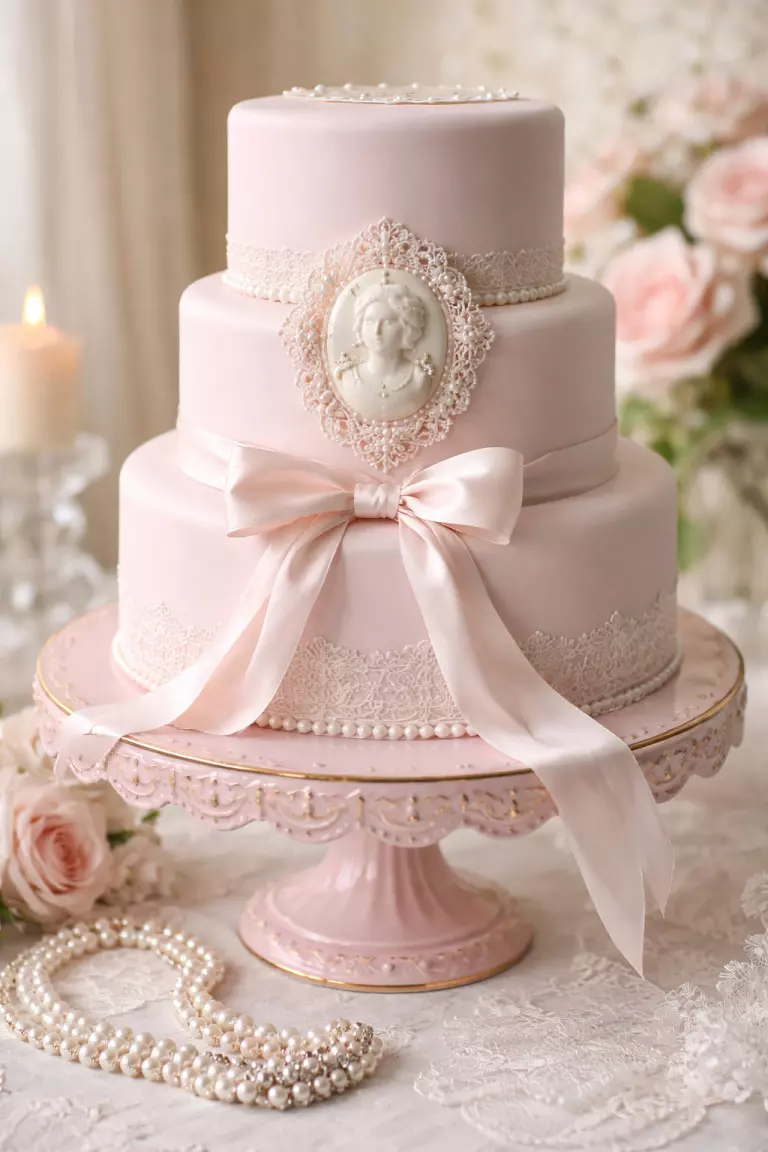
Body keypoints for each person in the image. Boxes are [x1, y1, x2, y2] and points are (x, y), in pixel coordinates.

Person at [333, 279, 436, 421]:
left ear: (407, 328)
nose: (377, 331)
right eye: (370, 321)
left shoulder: (419, 379)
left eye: (388, 322)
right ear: (360, 325)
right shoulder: (348, 378)